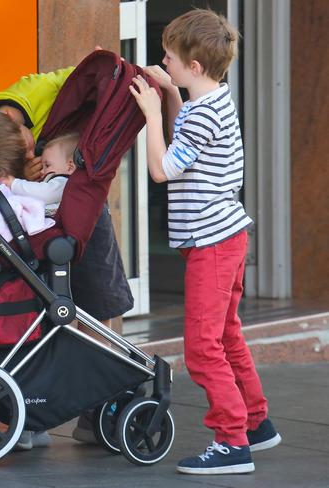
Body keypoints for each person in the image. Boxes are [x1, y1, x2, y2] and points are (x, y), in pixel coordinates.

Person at [129, 8, 281, 475]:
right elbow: (185, 147)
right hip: (226, 238)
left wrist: (152, 113)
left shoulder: (202, 114)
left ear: (194, 67)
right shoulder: (212, 101)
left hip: (213, 244)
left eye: (169, 58)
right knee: (227, 334)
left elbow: (162, 168)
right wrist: (172, 96)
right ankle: (256, 422)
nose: (163, 61)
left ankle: (232, 442)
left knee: (201, 346)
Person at [0, 64, 134, 449]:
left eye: (28, 145)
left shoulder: (41, 91)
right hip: (29, 234)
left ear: (18, 122)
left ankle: (95, 412)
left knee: (98, 307)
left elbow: (95, 73)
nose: (30, 151)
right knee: (34, 316)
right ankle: (33, 412)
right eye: (20, 157)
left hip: (76, 207)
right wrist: (17, 180)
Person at [0, 132, 79, 217]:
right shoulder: (57, 182)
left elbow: (44, 193)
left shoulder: (64, 183)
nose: (41, 172)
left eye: (47, 165)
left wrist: (14, 184)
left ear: (70, 167)